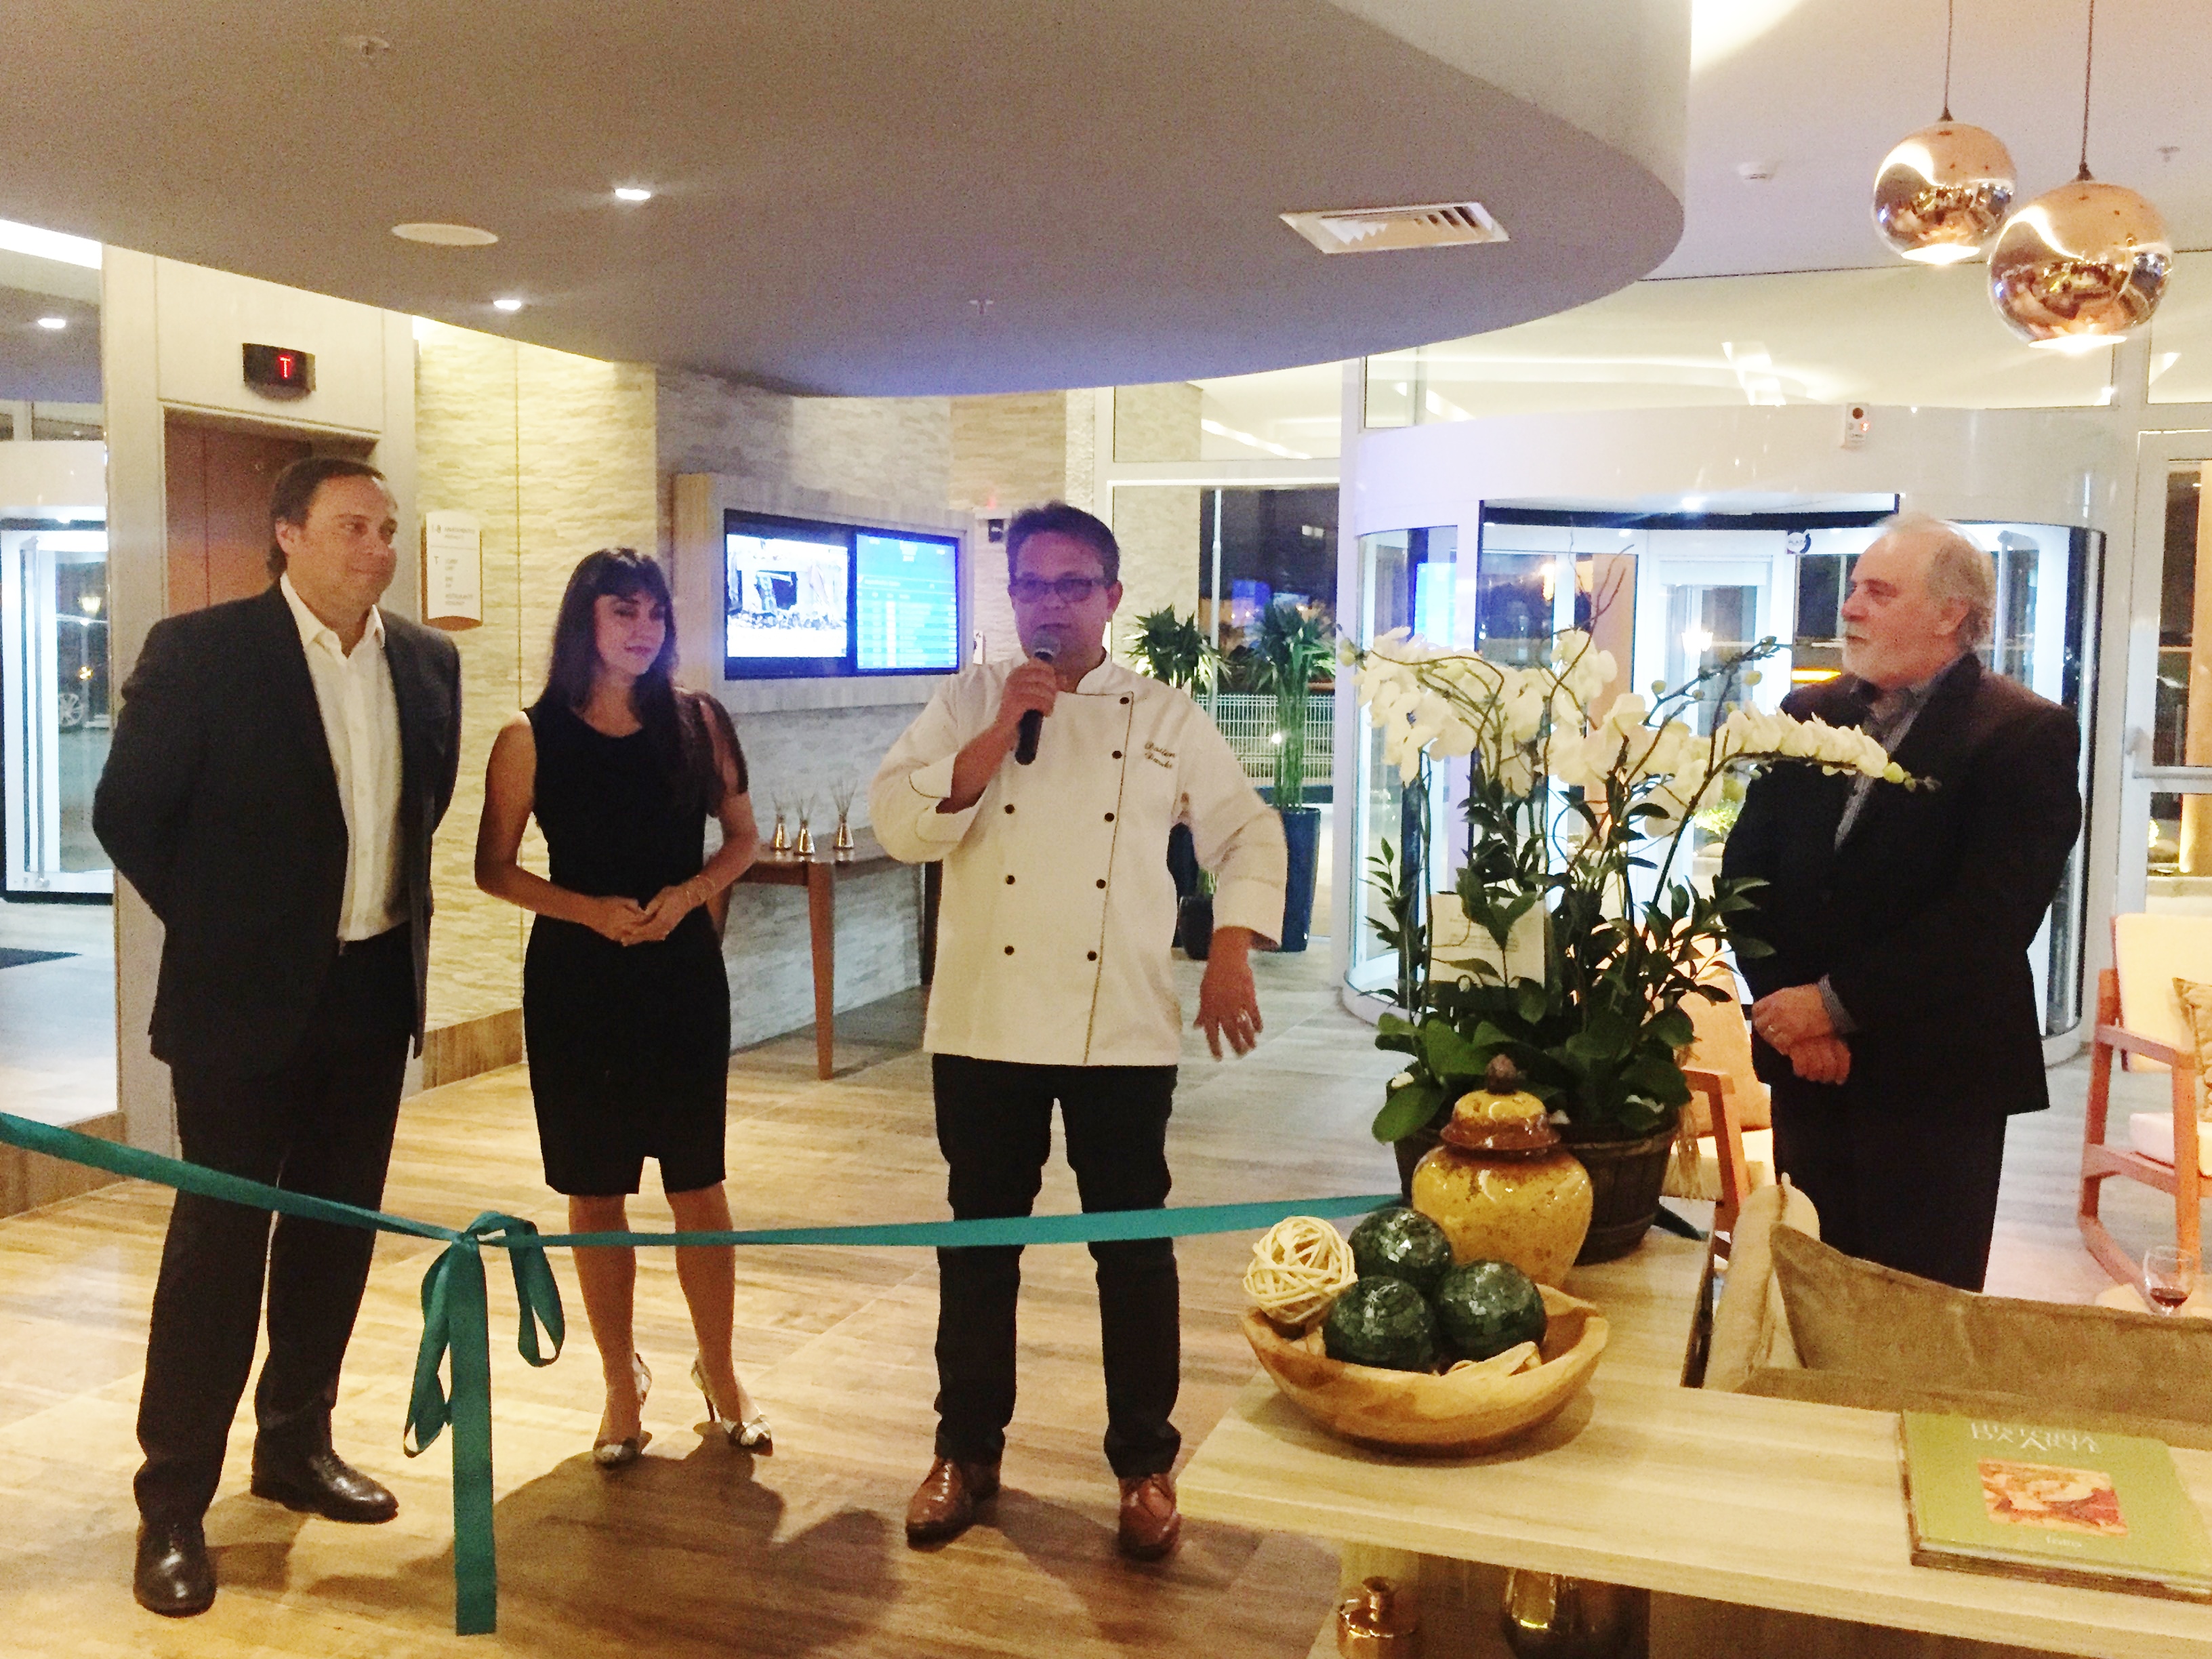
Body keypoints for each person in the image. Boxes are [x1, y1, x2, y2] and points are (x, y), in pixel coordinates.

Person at [870, 501, 1286, 1561]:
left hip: (1123, 1029)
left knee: (1132, 1250)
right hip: (985, 1021)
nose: (1048, 605)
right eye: (1030, 586)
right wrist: (994, 736)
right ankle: (965, 1452)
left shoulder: (1165, 716)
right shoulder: (970, 699)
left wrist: (1230, 948)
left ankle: (1145, 1465)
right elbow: (899, 823)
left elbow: (1247, 832)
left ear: (1110, 597)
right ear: (1011, 597)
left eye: (1070, 585)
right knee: (980, 1246)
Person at [94, 456, 462, 1617]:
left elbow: (422, 809)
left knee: (332, 1235)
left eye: (387, 528)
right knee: (220, 1244)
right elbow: (128, 812)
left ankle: (295, 1442)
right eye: (353, 526)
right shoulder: (202, 653)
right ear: (288, 534)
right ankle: (172, 1500)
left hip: (372, 994)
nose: (378, 548)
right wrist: (230, 927)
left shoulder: (427, 663)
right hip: (239, 1005)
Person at [1722, 512, 2081, 1291]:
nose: (1850, 607)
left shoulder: (2024, 734)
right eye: (1854, 588)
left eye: (1878, 592)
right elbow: (1746, 873)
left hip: (1934, 1085)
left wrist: (1832, 1006)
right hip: (1809, 1073)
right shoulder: (1808, 713)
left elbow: (1986, 921)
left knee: (1912, 1313)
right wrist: (1790, 1014)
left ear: (1951, 613)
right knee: (1809, 1293)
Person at [475, 548, 769, 1469]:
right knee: (594, 1186)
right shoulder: (529, 736)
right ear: (586, 621)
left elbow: (743, 839)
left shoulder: (698, 721)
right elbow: (495, 868)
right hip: (577, 977)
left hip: (680, 972)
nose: (643, 630)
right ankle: (617, 1383)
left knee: (698, 1182)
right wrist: (590, 911)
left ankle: (721, 1371)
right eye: (623, 613)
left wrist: (689, 895)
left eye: (654, 614)